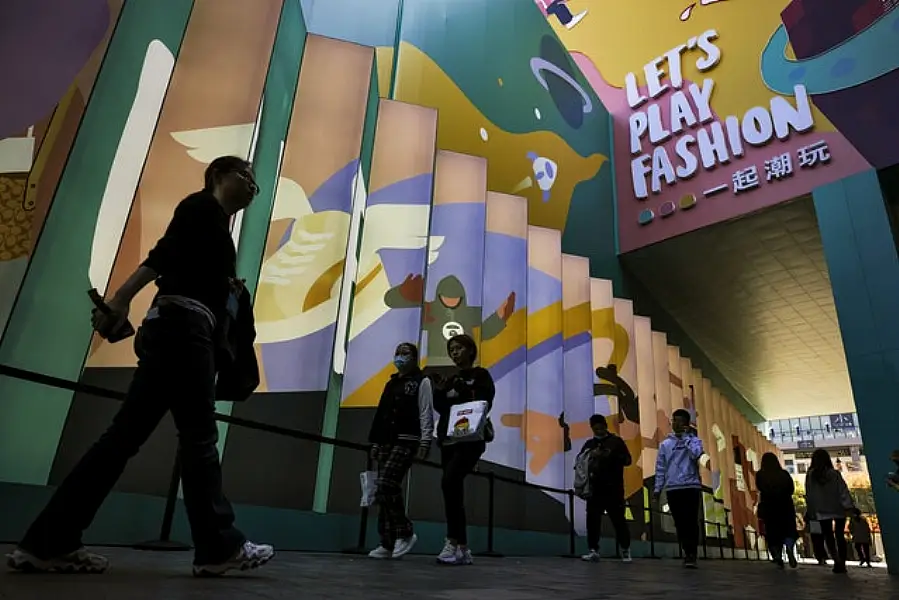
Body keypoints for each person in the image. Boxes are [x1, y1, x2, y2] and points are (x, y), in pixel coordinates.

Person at [6, 156, 274, 576]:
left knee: (123, 440)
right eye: (247, 178)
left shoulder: (213, 225)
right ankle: (219, 548)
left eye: (256, 186)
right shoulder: (201, 207)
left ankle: (48, 541)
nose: (252, 189)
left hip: (174, 331)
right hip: (185, 332)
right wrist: (120, 297)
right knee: (199, 439)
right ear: (219, 176)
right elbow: (161, 255)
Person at [366, 342, 434, 559]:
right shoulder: (391, 383)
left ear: (414, 358)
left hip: (407, 440)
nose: (400, 357)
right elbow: (382, 413)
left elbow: (425, 412)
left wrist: (425, 441)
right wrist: (375, 442)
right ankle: (386, 542)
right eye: (397, 353)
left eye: (405, 353)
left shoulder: (421, 381)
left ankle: (404, 532)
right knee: (382, 492)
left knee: (387, 484)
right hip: (386, 440)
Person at [432, 333, 495, 565]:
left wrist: (462, 389)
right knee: (453, 491)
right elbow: (442, 408)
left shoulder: (481, 375)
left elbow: (484, 401)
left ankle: (451, 541)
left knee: (448, 482)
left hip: (470, 440)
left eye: (458, 348)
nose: (455, 352)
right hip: (449, 439)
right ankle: (463, 548)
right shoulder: (451, 378)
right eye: (451, 350)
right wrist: (440, 390)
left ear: (470, 350)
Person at [577, 414, 633, 563]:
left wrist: (612, 456)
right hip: (594, 488)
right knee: (592, 520)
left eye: (601, 428)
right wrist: (593, 456)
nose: (599, 431)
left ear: (605, 426)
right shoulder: (589, 444)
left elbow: (628, 460)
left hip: (614, 488)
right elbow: (580, 461)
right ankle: (593, 549)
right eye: (595, 429)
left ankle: (625, 549)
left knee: (618, 519)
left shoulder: (616, 442)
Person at [654, 408, 704, 568]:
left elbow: (697, 454)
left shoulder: (695, 441)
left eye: (679, 421)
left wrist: (687, 438)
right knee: (680, 522)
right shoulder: (665, 445)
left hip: (691, 487)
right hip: (673, 488)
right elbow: (660, 467)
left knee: (691, 521)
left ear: (686, 424)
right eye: (674, 420)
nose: (675, 424)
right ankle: (686, 551)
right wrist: (657, 488)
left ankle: (692, 554)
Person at [805, 448, 854, 574]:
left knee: (828, 536)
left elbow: (809, 494)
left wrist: (811, 510)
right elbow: (842, 490)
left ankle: (836, 559)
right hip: (838, 508)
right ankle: (842, 562)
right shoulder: (834, 474)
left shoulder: (811, 475)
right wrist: (848, 506)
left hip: (821, 511)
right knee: (839, 535)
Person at [755, 452, 798, 569]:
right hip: (785, 506)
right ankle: (789, 547)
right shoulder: (783, 474)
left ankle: (777, 555)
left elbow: (760, 488)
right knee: (788, 530)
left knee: (773, 532)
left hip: (770, 507)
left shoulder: (760, 475)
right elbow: (791, 489)